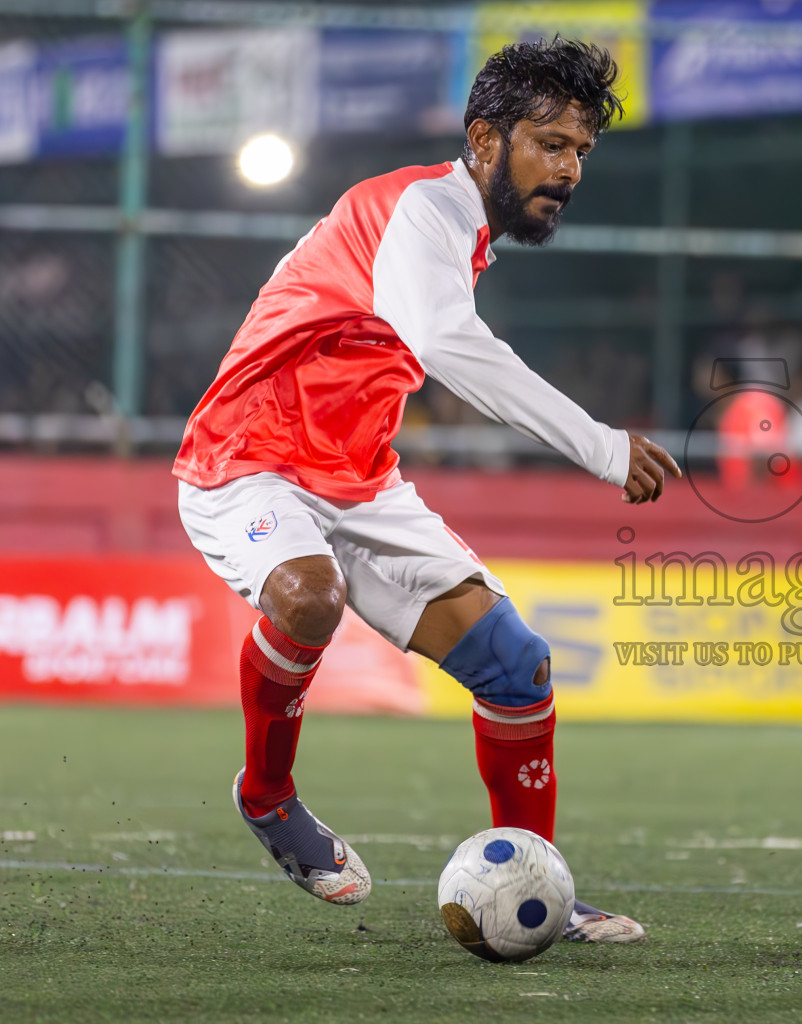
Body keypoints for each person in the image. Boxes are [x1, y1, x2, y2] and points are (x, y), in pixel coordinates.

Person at [173, 38, 680, 944]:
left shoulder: (458, 228)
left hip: (358, 480)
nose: (567, 170)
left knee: (516, 666)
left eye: (580, 153)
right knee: (308, 594)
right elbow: (446, 344)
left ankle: (541, 888)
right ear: (485, 139)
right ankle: (267, 794)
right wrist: (601, 446)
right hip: (248, 457)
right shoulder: (419, 208)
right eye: (549, 144)